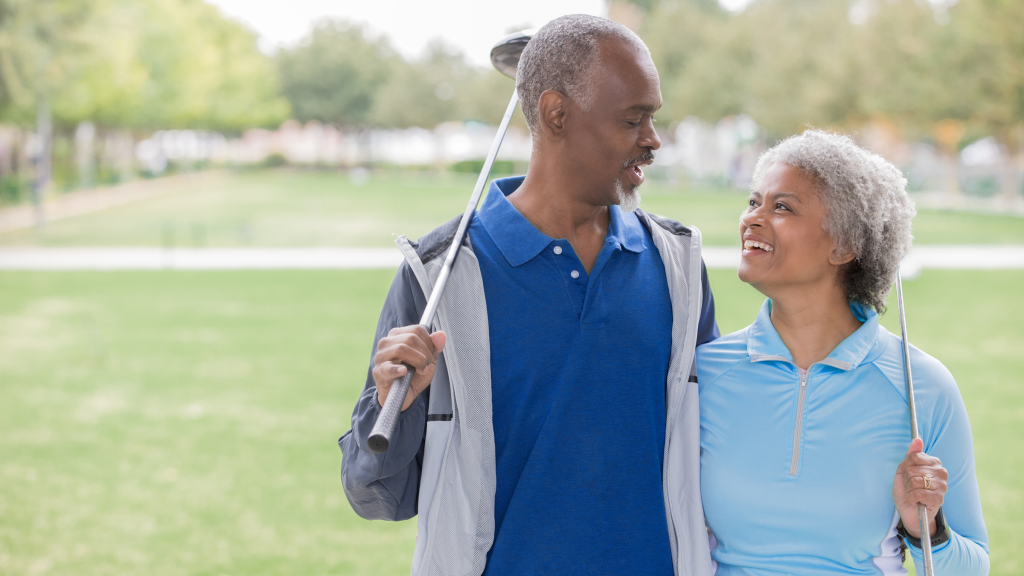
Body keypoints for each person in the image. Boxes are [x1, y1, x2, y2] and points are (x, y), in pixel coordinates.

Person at [339, 14, 719, 576]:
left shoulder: (679, 267)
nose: (653, 140)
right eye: (633, 119)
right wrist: (393, 398)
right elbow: (378, 497)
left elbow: (713, 454)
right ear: (556, 113)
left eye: (653, 118)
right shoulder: (441, 276)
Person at [696, 130, 989, 575]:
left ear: (844, 246)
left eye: (782, 207)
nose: (752, 218)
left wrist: (928, 530)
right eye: (753, 202)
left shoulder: (921, 386)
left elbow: (973, 567)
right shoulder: (705, 374)